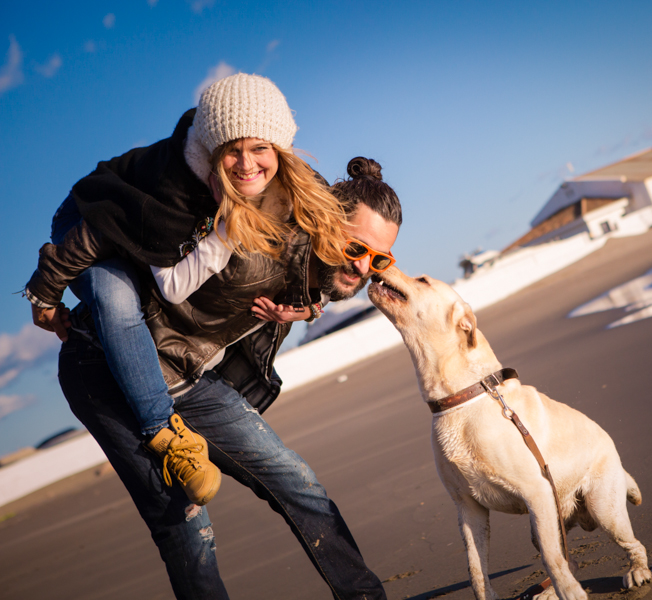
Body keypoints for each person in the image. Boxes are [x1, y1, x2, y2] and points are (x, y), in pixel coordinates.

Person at [25, 74, 401, 599]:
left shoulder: (319, 273)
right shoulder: (242, 202)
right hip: (105, 365)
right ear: (326, 219)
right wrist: (45, 293)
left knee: (297, 482)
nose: (363, 268)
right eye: (356, 249)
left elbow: (324, 283)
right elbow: (103, 230)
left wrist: (311, 307)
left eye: (378, 259)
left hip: (190, 380)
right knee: (186, 524)